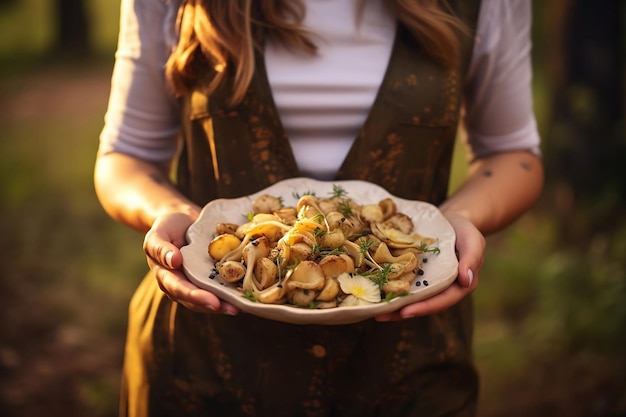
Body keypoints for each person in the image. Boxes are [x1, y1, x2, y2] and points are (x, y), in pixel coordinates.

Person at [94, 0, 543, 416]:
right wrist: (178, 218)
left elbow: (513, 154)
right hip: (202, 365)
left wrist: (458, 219)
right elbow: (125, 157)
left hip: (408, 370)